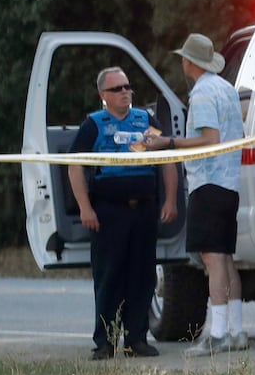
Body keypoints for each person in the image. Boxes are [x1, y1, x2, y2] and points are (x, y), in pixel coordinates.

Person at [145, 33, 246, 356]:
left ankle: (216, 334)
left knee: (211, 258)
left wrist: (168, 143)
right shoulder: (227, 89)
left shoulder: (202, 94)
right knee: (225, 257)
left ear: (189, 62)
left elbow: (209, 139)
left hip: (208, 182)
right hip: (229, 183)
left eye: (183, 58)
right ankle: (235, 329)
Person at [67, 67, 179, 359]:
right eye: (117, 89)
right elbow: (74, 166)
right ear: (103, 95)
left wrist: (170, 200)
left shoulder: (144, 120)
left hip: (143, 210)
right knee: (109, 276)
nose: (125, 92)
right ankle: (104, 341)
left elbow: (167, 159)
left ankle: (136, 339)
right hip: (108, 212)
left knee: (142, 276)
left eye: (128, 87)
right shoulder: (94, 124)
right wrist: (85, 207)